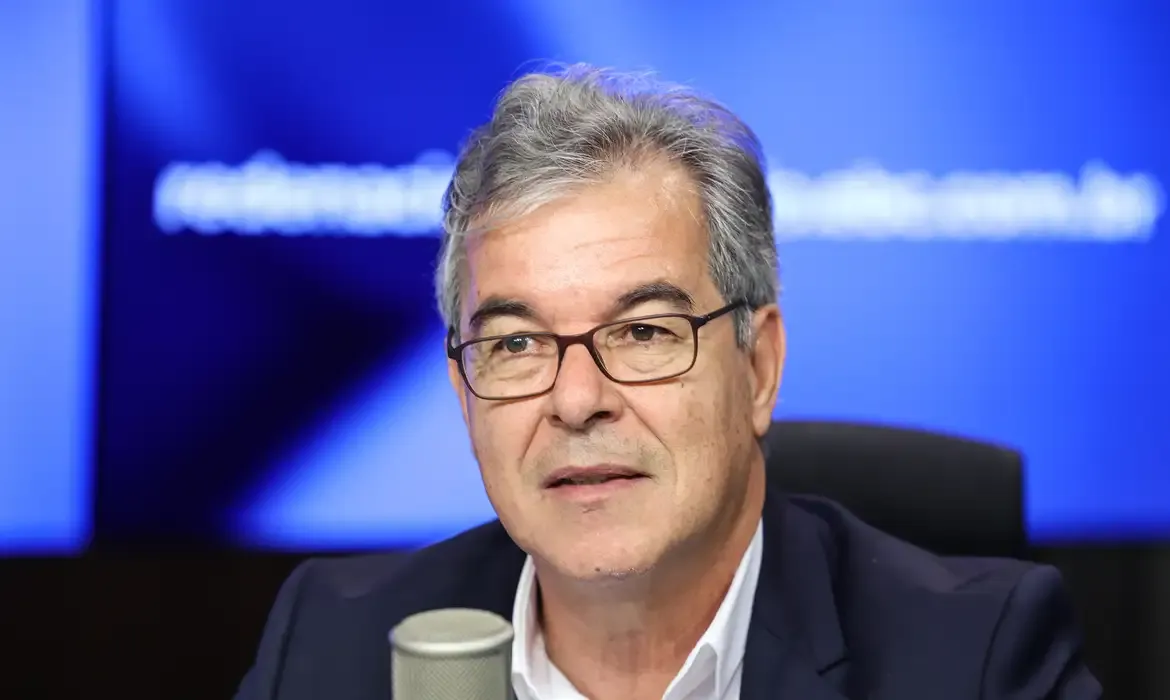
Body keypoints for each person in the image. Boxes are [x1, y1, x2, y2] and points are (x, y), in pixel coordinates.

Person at [234, 64, 1101, 700]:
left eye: (644, 332)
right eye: (517, 344)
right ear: (464, 396)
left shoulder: (976, 660)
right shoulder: (334, 643)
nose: (576, 401)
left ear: (758, 367)